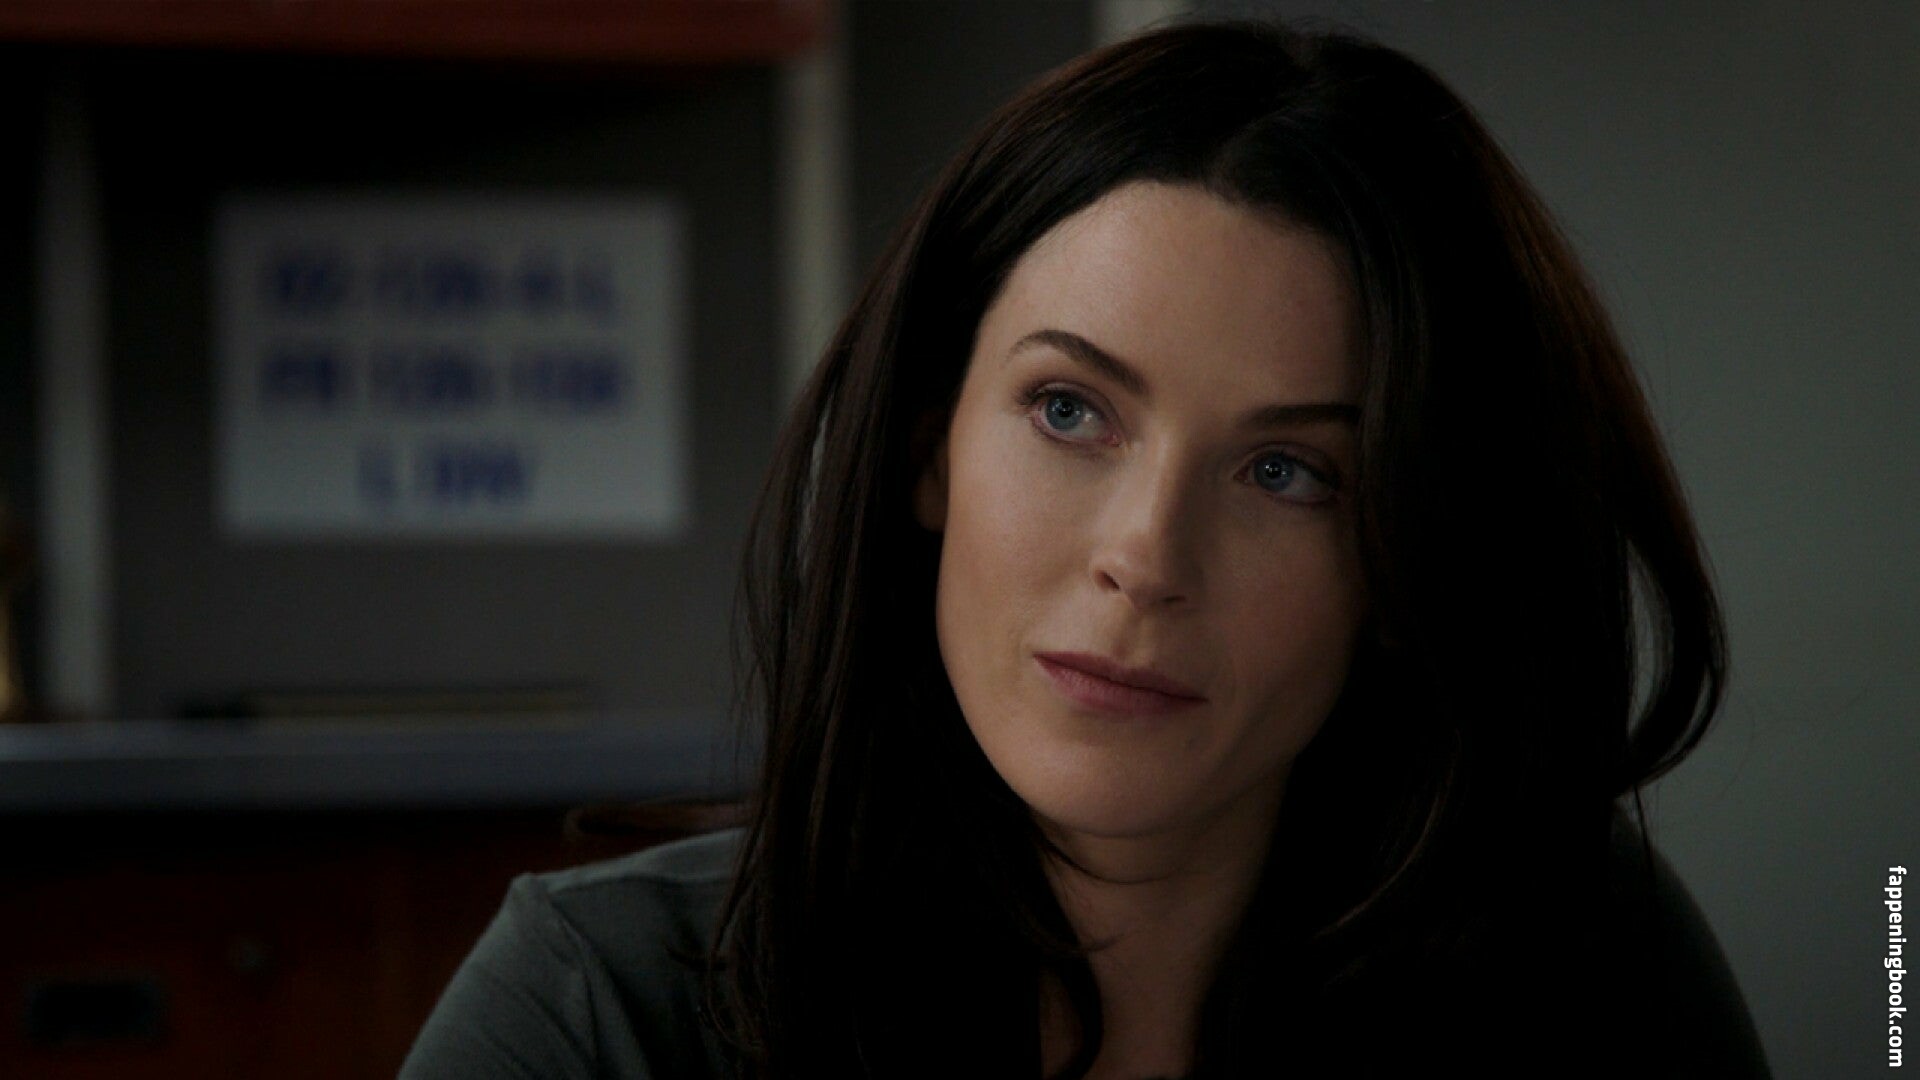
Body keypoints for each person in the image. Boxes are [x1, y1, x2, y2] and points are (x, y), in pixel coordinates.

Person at [402, 18, 1771, 1079]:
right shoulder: (600, 1014)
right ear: (929, 449)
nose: (1146, 555)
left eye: (1287, 473)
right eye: (1069, 410)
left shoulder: (1589, 965)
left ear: (1410, 563)